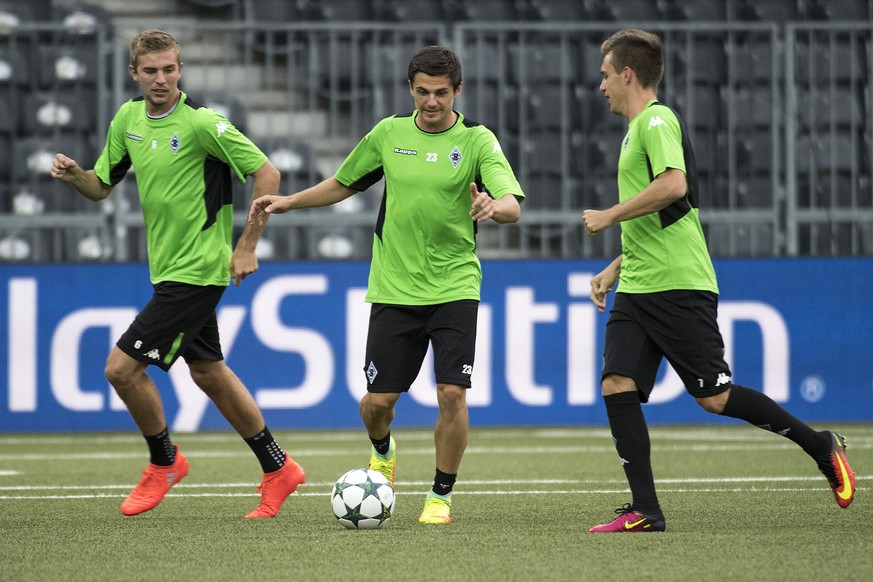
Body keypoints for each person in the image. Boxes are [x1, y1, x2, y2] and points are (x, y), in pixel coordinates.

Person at [582, 28, 855, 533]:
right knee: (616, 382)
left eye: (605, 75)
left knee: (714, 397)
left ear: (627, 74)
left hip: (677, 284)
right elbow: (671, 213)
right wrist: (614, 267)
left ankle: (820, 445)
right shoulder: (638, 130)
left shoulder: (656, 119)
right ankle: (645, 510)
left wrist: (609, 215)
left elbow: (674, 185)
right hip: (640, 285)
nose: (600, 86)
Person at [250, 45, 524, 524]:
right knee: (378, 404)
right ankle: (383, 450)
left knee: (452, 394)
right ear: (410, 89)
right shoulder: (389, 133)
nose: (432, 101)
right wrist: (290, 201)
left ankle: (440, 496)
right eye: (423, 91)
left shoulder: (477, 140)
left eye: (441, 92)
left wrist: (492, 207)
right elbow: (344, 183)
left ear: (458, 91)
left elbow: (511, 205)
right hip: (394, 288)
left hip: (455, 285)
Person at [50, 29, 305, 518]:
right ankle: (279, 467)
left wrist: (246, 246)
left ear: (180, 70)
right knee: (208, 371)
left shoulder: (203, 123)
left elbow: (268, 173)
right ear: (134, 73)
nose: (161, 79)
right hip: (167, 268)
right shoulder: (127, 119)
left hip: (199, 269)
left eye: (169, 69)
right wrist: (76, 174)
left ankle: (164, 461)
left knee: (121, 369)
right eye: (151, 71)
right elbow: (101, 187)